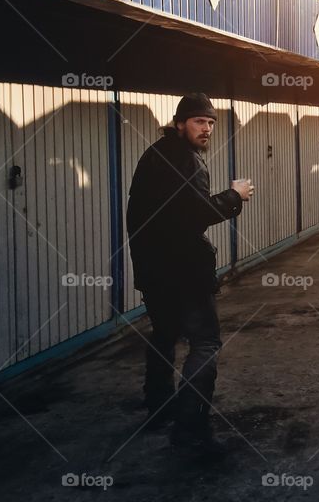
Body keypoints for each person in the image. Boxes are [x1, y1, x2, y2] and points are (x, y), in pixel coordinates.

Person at [126, 93, 254, 456]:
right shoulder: (189, 162)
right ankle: (190, 425)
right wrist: (234, 195)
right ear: (180, 123)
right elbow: (196, 215)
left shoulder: (154, 154)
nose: (207, 128)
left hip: (153, 270)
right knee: (205, 342)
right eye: (199, 121)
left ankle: (158, 409)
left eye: (211, 123)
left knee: (164, 334)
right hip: (183, 272)